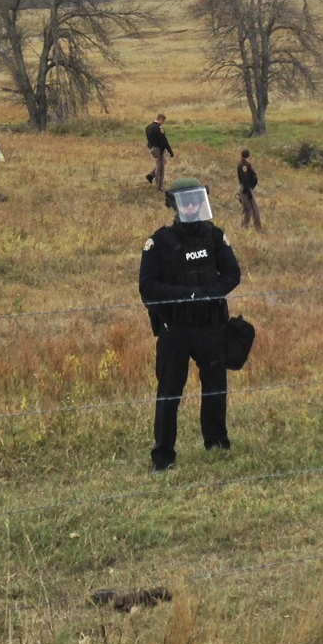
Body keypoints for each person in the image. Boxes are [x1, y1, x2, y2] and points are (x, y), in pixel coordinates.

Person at [139, 178, 241, 472]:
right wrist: (185, 296)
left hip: (211, 325)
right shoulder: (159, 242)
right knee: (169, 392)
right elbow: (147, 285)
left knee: (215, 388)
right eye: (185, 201)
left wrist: (209, 293)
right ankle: (163, 456)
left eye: (196, 200)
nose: (192, 205)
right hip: (176, 328)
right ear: (175, 204)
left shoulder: (214, 236)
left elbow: (232, 273)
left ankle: (217, 443)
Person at [145, 114, 174, 192]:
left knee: (162, 162)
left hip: (152, 148)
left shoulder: (148, 127)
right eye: (163, 121)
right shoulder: (158, 128)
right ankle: (159, 186)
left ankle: (150, 175)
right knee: (160, 168)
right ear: (161, 120)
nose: (163, 123)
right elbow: (164, 141)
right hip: (158, 149)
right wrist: (170, 151)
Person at [236, 149, 263, 231]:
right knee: (254, 208)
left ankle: (244, 226)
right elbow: (245, 179)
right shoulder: (245, 166)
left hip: (244, 188)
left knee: (247, 209)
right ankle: (258, 227)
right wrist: (248, 192)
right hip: (246, 189)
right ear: (249, 156)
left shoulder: (241, 164)